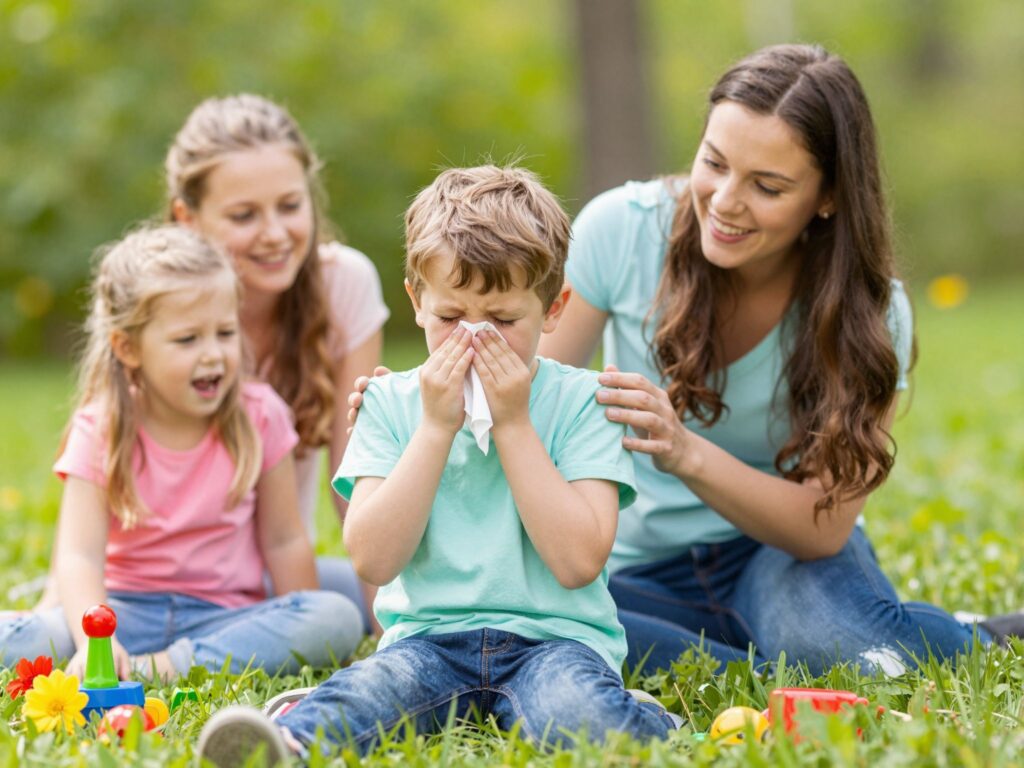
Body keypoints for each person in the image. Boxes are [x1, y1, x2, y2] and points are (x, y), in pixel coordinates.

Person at [534, 43, 1022, 674]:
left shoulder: (872, 313)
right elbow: (529, 409)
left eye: (768, 186)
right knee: (542, 629)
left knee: (853, 653)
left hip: (780, 557)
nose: (726, 202)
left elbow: (822, 528)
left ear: (828, 197)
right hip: (629, 567)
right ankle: (761, 658)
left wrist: (684, 451)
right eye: (714, 163)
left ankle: (967, 638)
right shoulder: (619, 232)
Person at [195, 165, 679, 766]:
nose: (474, 341)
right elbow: (373, 558)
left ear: (553, 308)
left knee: (578, 716)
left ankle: (637, 714)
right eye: (451, 317)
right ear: (416, 301)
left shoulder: (584, 403)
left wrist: (514, 424)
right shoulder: (390, 405)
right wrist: (432, 429)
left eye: (503, 320)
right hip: (426, 641)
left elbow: (578, 562)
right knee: (375, 691)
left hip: (555, 642)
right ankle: (292, 735)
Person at [34, 94, 388, 633]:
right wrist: (68, 623)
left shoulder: (345, 284)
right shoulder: (155, 301)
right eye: (244, 214)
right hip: (138, 587)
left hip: (249, 579)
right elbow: (91, 502)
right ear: (188, 218)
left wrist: (383, 622)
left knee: (352, 608)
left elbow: (355, 477)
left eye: (290, 206)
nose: (273, 232)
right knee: (57, 621)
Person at [0, 226, 362, 681]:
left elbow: (284, 540)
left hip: (224, 617)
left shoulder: (261, 416)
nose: (213, 355)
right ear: (128, 347)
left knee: (334, 617)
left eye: (225, 333)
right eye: (188, 340)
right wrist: (99, 642)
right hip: (119, 614)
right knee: (19, 639)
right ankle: (117, 661)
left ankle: (161, 668)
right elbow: (79, 557)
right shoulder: (102, 427)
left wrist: (301, 614)